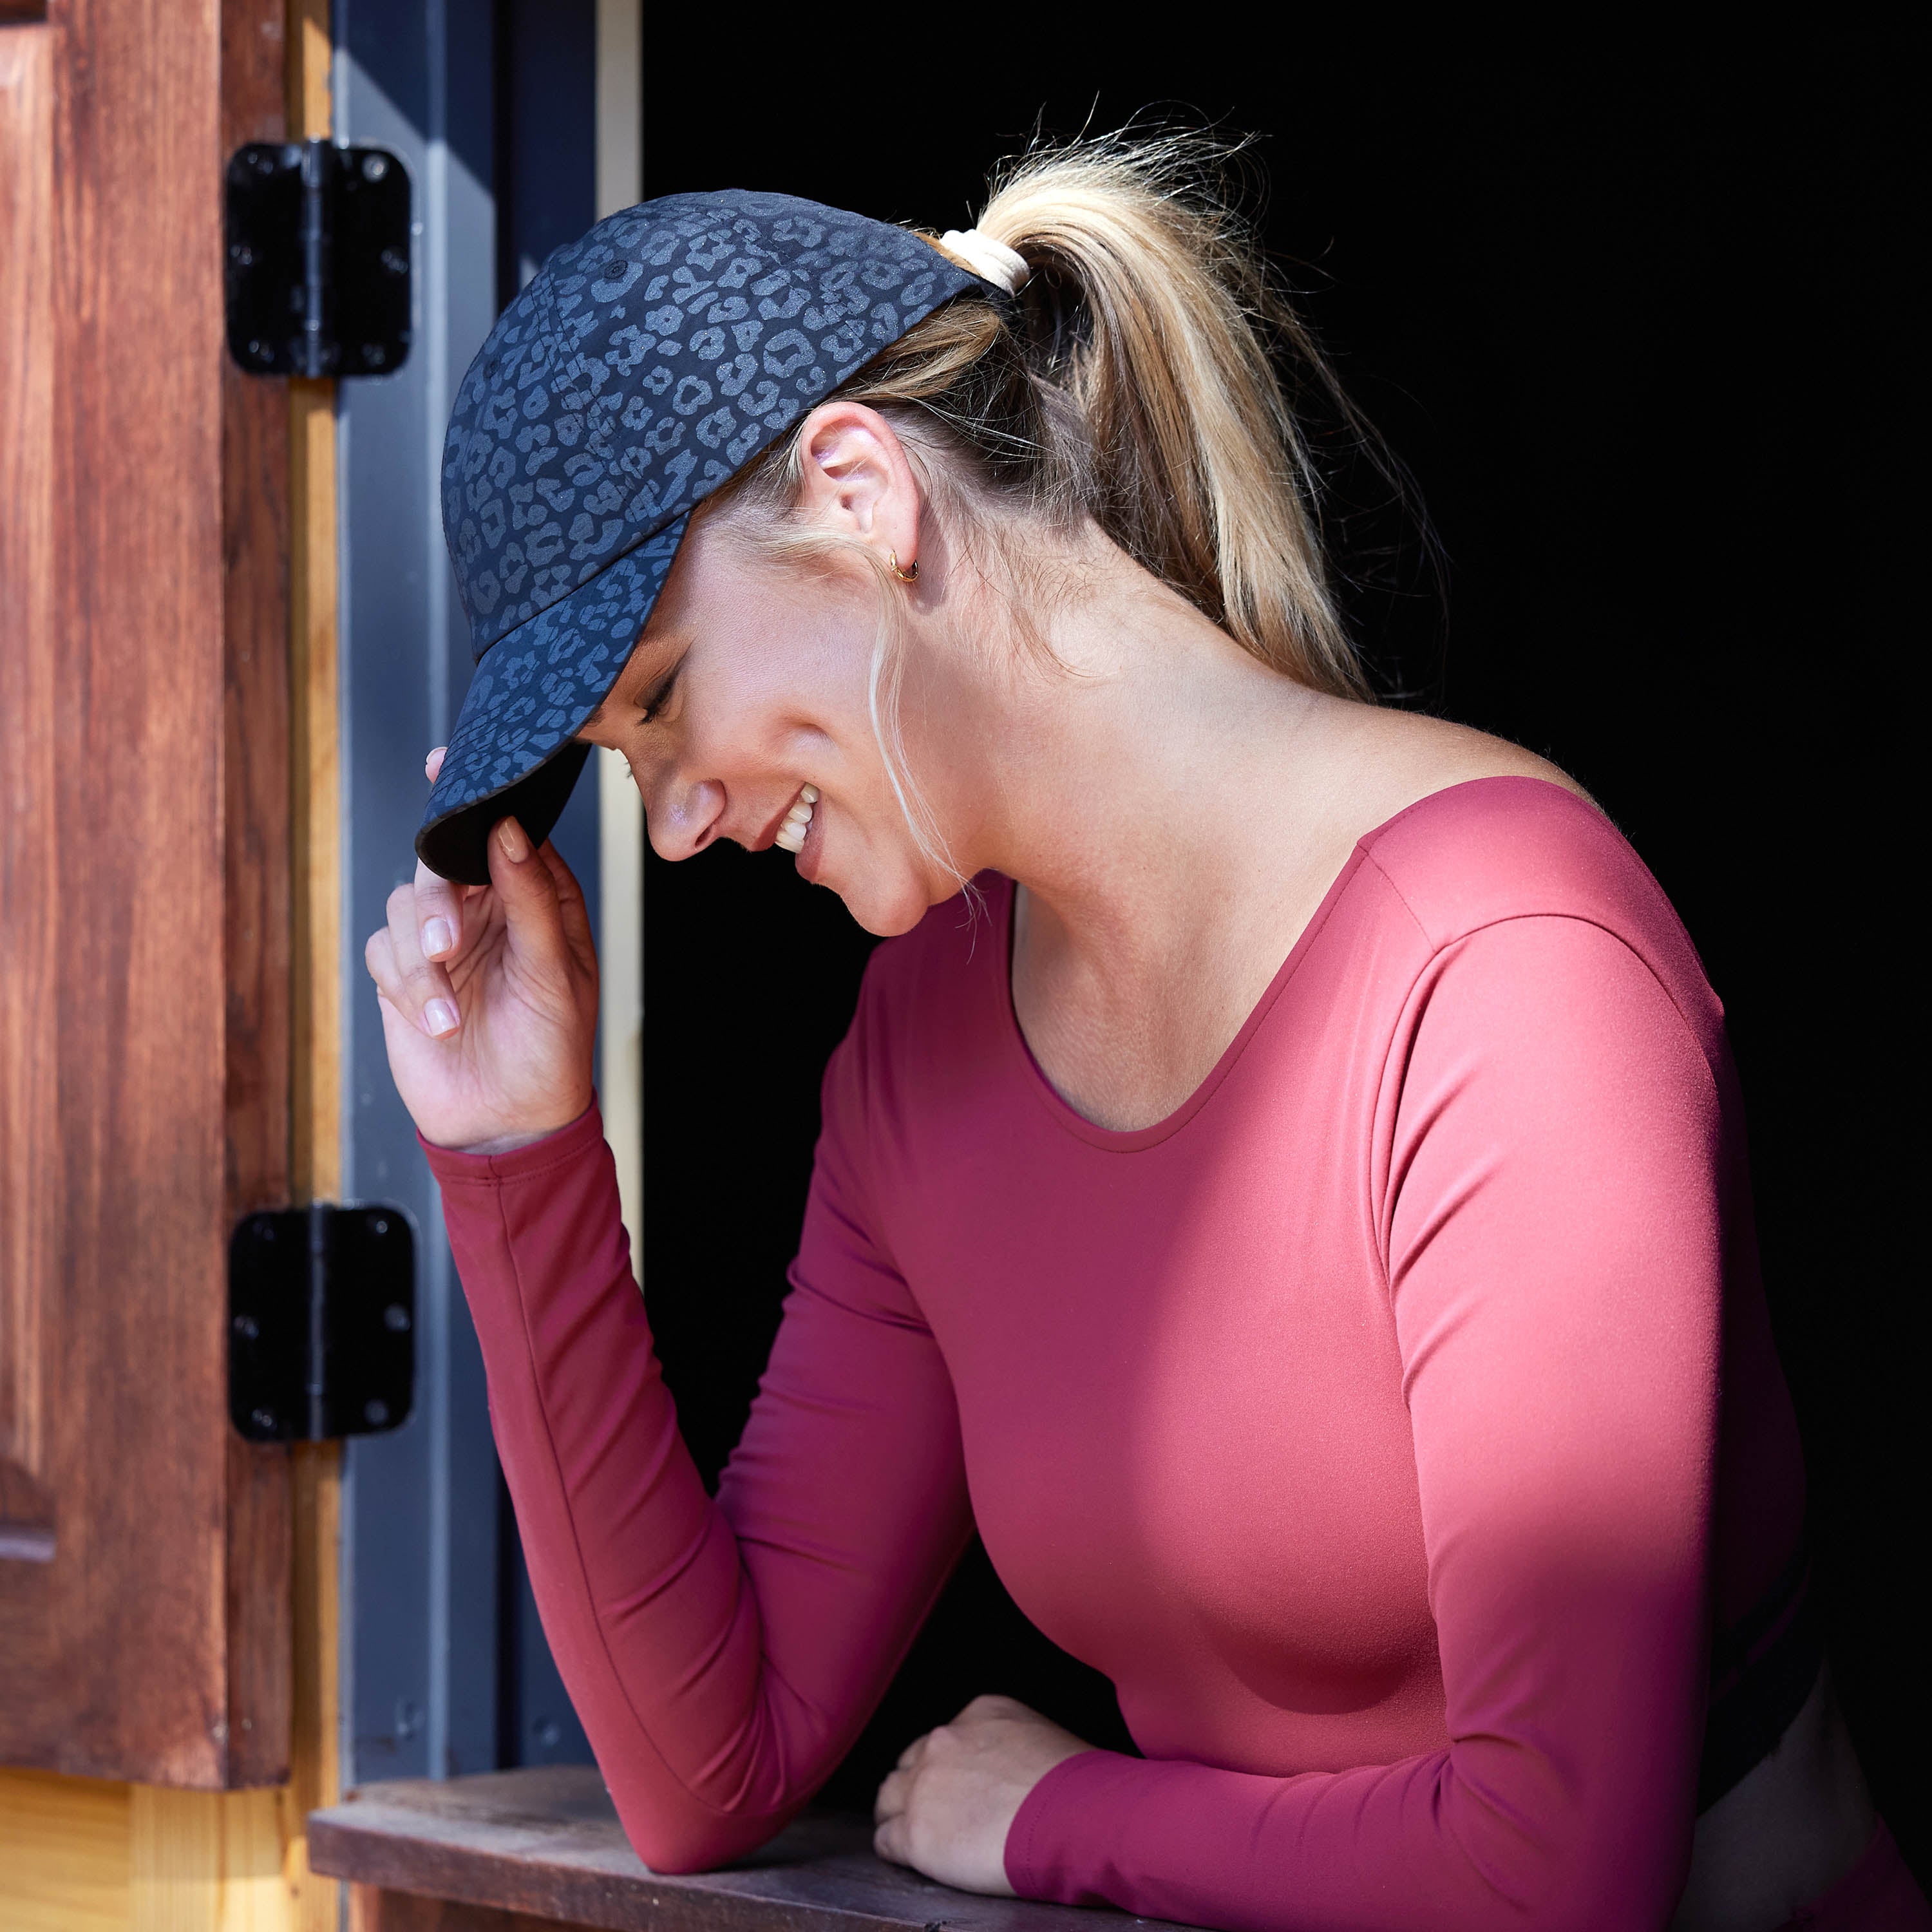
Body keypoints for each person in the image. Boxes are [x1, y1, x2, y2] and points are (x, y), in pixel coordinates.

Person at [365, 141, 1927, 1930]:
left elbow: (1556, 1871)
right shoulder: (923, 1041)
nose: (673, 830)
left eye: (662, 702)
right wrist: (512, 1159)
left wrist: (1063, 1818)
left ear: (861, 494)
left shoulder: (1504, 971)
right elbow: (704, 1767)